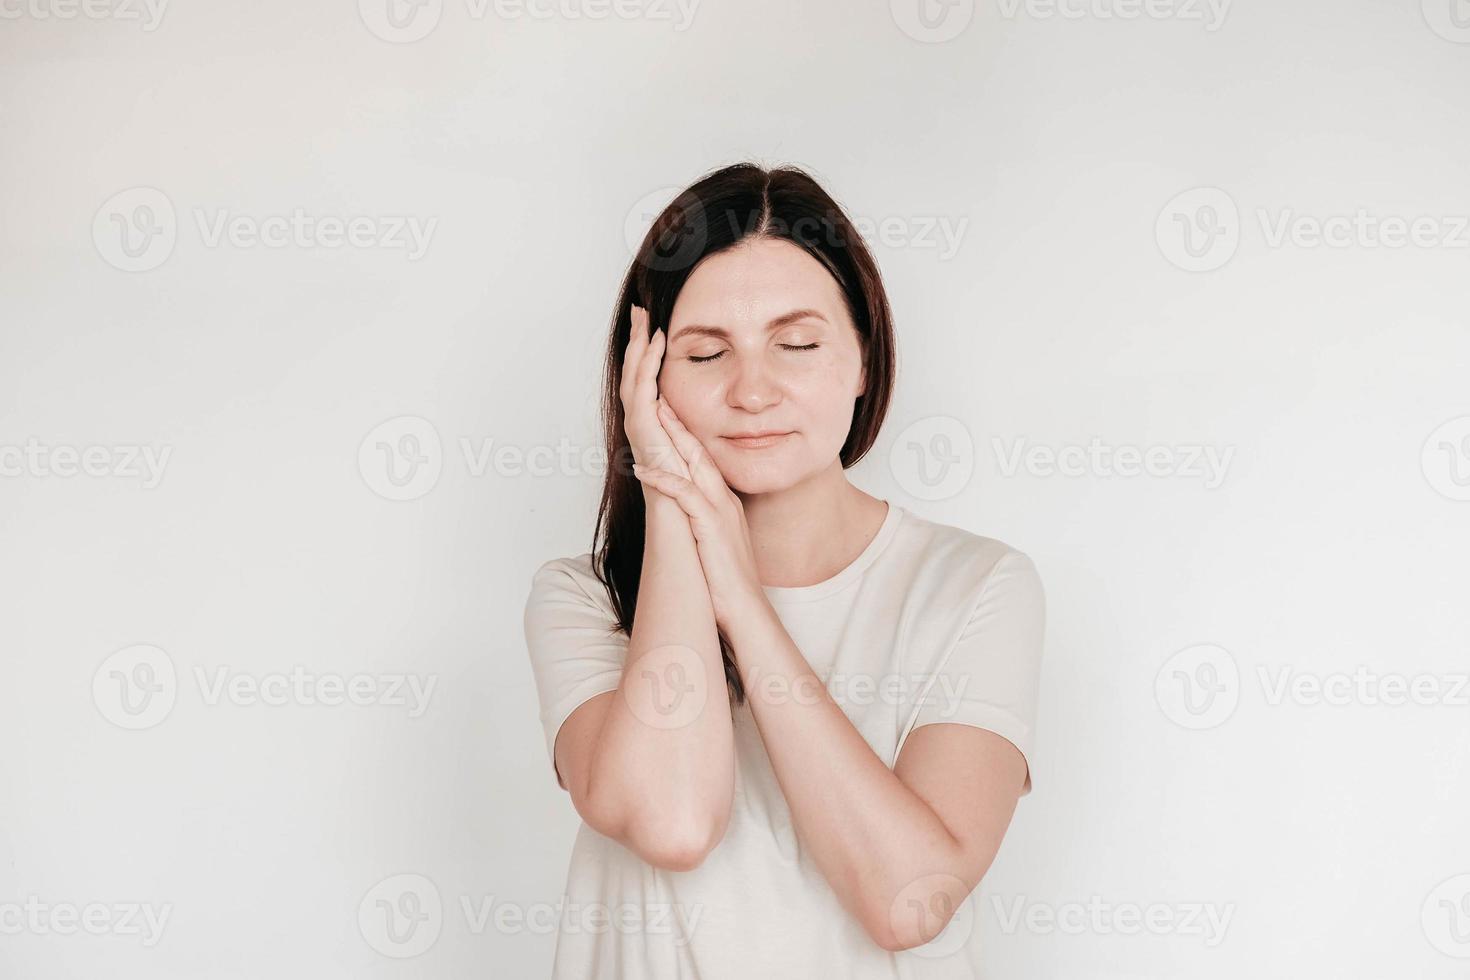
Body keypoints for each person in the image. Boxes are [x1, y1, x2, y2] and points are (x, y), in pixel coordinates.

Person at [523, 161, 1046, 978]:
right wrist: (671, 497)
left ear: (863, 361)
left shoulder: (976, 587)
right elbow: (675, 822)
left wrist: (741, 595)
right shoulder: (585, 600)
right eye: (704, 355)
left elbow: (908, 900)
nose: (753, 391)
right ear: (644, 379)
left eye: (796, 344)